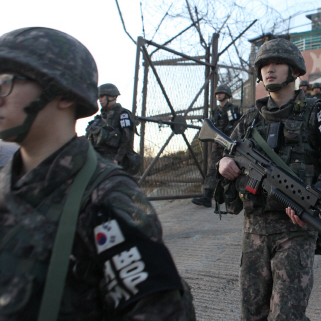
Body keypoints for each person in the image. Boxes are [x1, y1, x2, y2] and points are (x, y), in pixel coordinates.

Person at [0, 27, 194, 320]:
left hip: (110, 166)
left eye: (6, 82)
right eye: (101, 96)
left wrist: (115, 166)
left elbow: (126, 141)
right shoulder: (9, 181)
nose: (103, 100)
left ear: (63, 92)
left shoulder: (106, 200)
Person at [217, 38, 321, 321]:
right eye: (264, 64)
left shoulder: (318, 113)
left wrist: (315, 196)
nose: (269, 69)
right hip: (254, 231)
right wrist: (223, 162)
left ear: (294, 70)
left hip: (296, 230)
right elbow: (224, 152)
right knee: (251, 314)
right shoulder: (249, 120)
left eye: (277, 63)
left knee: (287, 316)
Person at [192, 83, 240, 208]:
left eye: (221, 93)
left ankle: (233, 196)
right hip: (216, 143)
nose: (218, 95)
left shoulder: (232, 108)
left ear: (227, 94)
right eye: (217, 93)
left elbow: (235, 125)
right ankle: (207, 196)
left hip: (228, 142)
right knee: (212, 168)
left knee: (231, 168)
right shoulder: (215, 111)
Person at [85, 83, 140, 174]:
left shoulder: (123, 114)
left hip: (114, 162)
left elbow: (127, 139)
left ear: (113, 96)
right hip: (98, 160)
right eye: (99, 97)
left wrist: (117, 159)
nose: (100, 100)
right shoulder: (99, 119)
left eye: (102, 96)